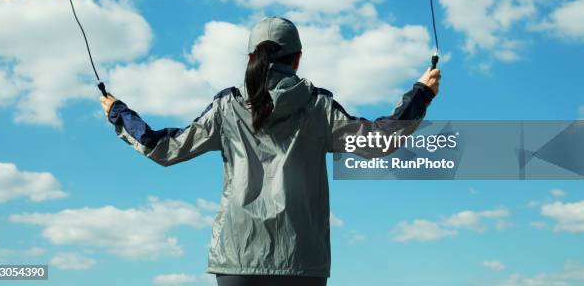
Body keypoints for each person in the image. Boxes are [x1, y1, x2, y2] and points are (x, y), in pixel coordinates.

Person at [100, 17, 440, 286]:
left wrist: (119, 112)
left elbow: (162, 148)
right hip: (302, 260)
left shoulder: (227, 107)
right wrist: (421, 93)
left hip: (236, 257)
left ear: (251, 58)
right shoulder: (318, 107)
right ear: (298, 59)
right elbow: (379, 141)